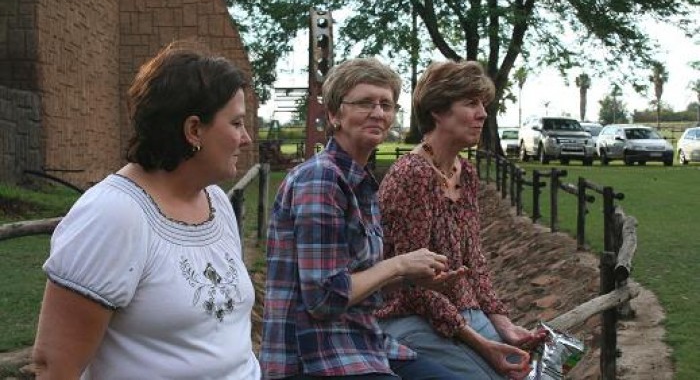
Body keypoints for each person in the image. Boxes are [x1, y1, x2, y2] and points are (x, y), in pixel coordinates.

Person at [32, 41, 261, 379]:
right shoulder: (114, 215)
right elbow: (55, 365)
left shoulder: (216, 202)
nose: (246, 138)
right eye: (237, 123)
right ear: (194, 130)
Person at [260, 58, 463, 380]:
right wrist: (399, 265)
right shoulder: (321, 179)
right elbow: (324, 298)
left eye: (386, 104)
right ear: (334, 115)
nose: (378, 113)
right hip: (315, 357)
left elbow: (354, 278)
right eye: (365, 103)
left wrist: (412, 278)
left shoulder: (359, 181)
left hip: (365, 342)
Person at [376, 60, 544, 380]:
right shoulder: (413, 175)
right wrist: (483, 344)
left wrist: (503, 324)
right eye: (471, 103)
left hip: (463, 313)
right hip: (410, 316)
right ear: (438, 111)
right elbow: (415, 285)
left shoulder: (465, 173)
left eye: (483, 104)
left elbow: (474, 259)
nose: (483, 114)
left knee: (532, 374)